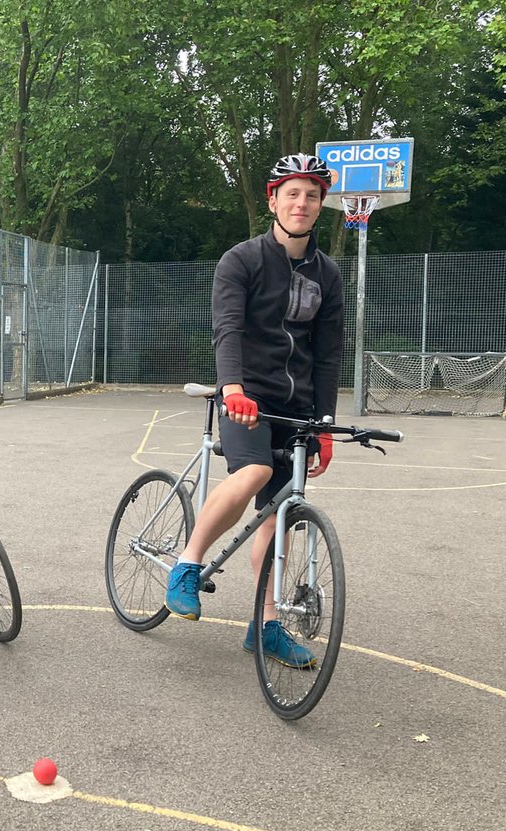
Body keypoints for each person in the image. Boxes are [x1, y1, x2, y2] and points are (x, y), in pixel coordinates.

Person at [165, 153, 344, 668]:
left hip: (298, 407)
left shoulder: (328, 275)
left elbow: (328, 354)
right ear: (273, 201)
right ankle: (187, 564)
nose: (302, 203)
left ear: (320, 205)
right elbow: (227, 328)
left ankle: (264, 627)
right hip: (247, 397)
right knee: (255, 471)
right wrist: (233, 388)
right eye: (292, 193)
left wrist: (324, 423)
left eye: (312, 195)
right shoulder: (241, 260)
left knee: (278, 516)